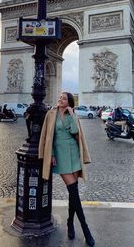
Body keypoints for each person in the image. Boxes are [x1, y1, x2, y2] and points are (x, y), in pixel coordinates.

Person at [39, 92, 95, 247]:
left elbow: (75, 132)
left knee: (73, 193)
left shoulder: (72, 115)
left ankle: (70, 223)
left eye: (63, 98)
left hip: (73, 154)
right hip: (60, 155)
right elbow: (48, 137)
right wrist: (49, 154)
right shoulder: (51, 114)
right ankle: (86, 230)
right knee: (73, 191)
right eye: (59, 97)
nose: (60, 99)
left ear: (69, 102)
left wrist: (71, 114)